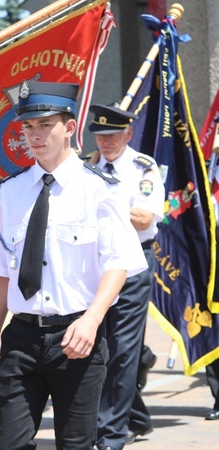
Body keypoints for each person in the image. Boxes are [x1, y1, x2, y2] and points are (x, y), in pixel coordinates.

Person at [0, 80, 146, 449]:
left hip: (76, 337)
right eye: (27, 126)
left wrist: (92, 319)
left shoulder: (99, 189)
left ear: (69, 127)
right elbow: (2, 270)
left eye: (45, 125)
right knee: (7, 443)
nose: (34, 135)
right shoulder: (10, 191)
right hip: (21, 336)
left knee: (75, 444)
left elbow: (118, 263)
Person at [87, 104, 164, 449]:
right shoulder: (87, 165)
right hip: (96, 265)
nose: (106, 142)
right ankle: (136, 416)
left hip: (132, 264)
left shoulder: (142, 169)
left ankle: (111, 434)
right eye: (100, 135)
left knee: (119, 350)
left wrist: (104, 200)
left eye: (113, 135)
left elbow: (145, 219)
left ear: (129, 133)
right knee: (101, 347)